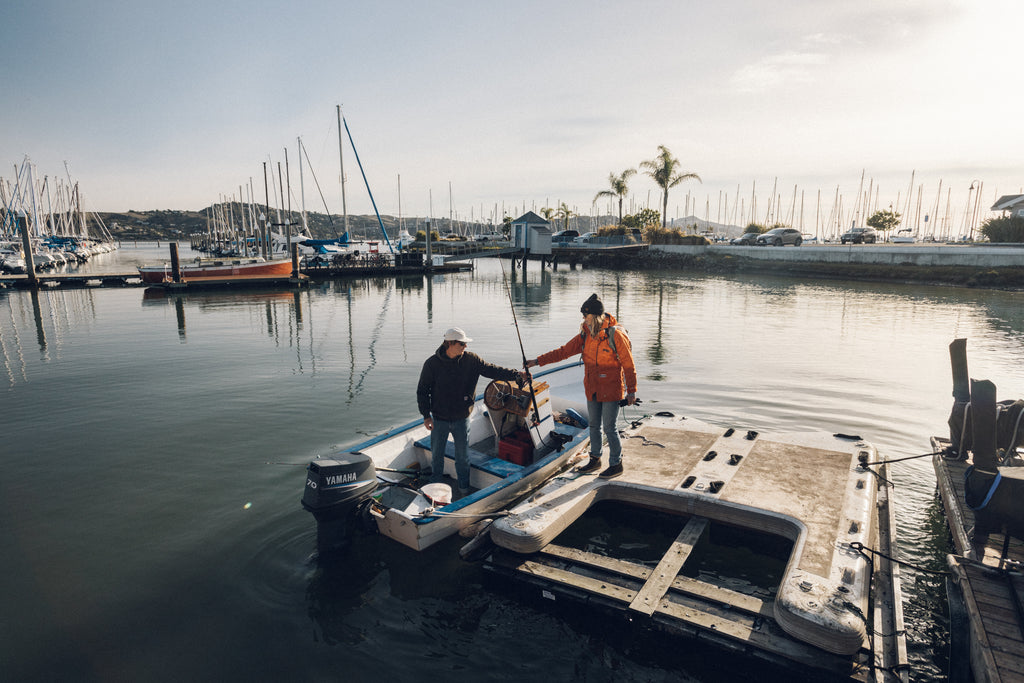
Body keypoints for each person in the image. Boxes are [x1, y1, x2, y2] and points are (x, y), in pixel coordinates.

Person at [525, 293, 637, 479]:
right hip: (592, 388)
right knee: (594, 426)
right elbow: (563, 352)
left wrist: (631, 391)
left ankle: (616, 464)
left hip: (612, 389)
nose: (583, 318)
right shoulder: (585, 334)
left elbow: (629, 364)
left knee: (609, 428)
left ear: (595, 315)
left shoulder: (615, 335)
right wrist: (537, 361)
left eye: (586, 315)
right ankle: (595, 459)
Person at [417, 327, 525, 495]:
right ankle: (434, 487)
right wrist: (426, 416)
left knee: (463, 457)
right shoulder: (431, 364)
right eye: (462, 344)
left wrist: (516, 375)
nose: (465, 347)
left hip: (462, 418)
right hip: (439, 419)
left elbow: (492, 370)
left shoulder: (471, 360)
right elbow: (422, 391)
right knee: (436, 455)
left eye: (466, 344)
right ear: (449, 343)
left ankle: (464, 489)